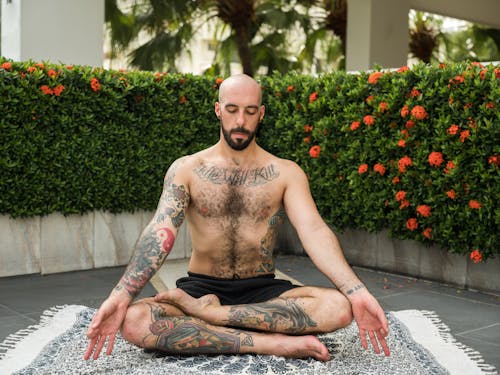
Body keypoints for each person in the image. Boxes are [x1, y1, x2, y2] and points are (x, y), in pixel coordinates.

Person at [84, 74, 390, 362]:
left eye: (250, 110)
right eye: (231, 110)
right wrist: (121, 294)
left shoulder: (286, 172)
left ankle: (214, 319)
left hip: (262, 290)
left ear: (262, 114)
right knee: (135, 321)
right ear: (218, 110)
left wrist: (357, 292)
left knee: (338, 307)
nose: (240, 121)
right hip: (200, 288)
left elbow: (313, 230)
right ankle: (271, 342)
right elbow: (160, 230)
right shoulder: (186, 169)